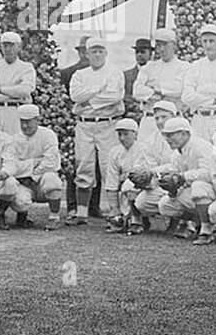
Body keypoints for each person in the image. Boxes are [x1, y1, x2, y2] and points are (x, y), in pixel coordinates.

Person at [68, 37, 125, 224]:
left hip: (108, 124)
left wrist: (88, 101)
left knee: (109, 167)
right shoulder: (79, 74)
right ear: (87, 53)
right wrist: (98, 90)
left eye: (101, 51)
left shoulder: (115, 73)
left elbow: (114, 96)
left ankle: (113, 212)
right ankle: (82, 213)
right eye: (94, 51)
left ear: (106, 53)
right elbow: (75, 95)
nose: (98, 54)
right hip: (85, 124)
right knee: (84, 166)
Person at [145, 116, 216, 244]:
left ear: (184, 133)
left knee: (198, 187)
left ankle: (207, 230)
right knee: (165, 205)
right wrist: (152, 172)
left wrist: (182, 177)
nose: (167, 139)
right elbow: (173, 168)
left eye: (171, 135)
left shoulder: (200, 146)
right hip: (199, 193)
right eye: (166, 136)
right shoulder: (178, 152)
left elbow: (210, 174)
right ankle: (198, 221)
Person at [0, 104, 65, 229]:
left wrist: (32, 175)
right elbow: (11, 164)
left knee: (52, 181)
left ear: (37, 120)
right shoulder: (14, 139)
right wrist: (34, 163)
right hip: (24, 183)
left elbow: (51, 162)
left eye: (28, 122)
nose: (25, 126)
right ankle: (22, 215)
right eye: (22, 122)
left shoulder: (48, 135)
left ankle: (54, 216)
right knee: (21, 202)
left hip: (41, 181)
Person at [102, 117, 170, 235]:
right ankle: (124, 217)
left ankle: (137, 221)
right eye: (120, 134)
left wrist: (127, 178)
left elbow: (144, 176)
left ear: (135, 134)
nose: (122, 138)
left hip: (147, 186)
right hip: (126, 189)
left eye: (126, 134)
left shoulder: (144, 148)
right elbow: (111, 181)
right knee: (125, 189)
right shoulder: (114, 152)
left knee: (129, 186)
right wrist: (114, 210)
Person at [133, 28, 189, 145]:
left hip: (172, 120)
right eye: (158, 45)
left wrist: (156, 89)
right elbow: (137, 91)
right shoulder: (149, 67)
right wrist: (153, 94)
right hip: (149, 119)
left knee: (170, 155)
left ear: (173, 45)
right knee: (144, 154)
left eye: (165, 45)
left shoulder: (184, 67)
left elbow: (179, 89)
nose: (161, 49)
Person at [0, 31, 37, 136]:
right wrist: (14, 96)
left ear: (19, 47)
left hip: (16, 112)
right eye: (5, 45)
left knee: (16, 144)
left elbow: (25, 90)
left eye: (11, 45)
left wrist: (0, 89)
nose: (8, 49)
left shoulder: (26, 67)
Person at [123, 37, 155, 121]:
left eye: (143, 52)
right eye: (137, 52)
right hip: (132, 117)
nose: (139, 55)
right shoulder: (127, 75)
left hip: (151, 115)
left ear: (150, 54)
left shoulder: (156, 73)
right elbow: (124, 96)